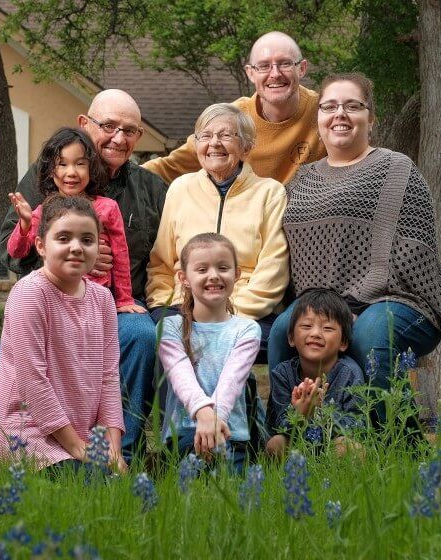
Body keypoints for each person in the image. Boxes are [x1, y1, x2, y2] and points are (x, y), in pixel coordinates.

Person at [0, 90, 167, 465]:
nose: (119, 138)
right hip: (55, 294)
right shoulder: (48, 175)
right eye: (108, 127)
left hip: (119, 302)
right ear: (84, 124)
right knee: (35, 316)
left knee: (141, 336)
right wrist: (69, 267)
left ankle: (121, 453)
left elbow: (163, 257)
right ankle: (3, 406)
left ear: (140, 137)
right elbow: (10, 250)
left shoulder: (152, 188)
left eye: (130, 130)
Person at [267, 73, 441, 423]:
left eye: (352, 106)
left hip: (398, 301)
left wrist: (346, 308)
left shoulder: (395, 169)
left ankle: (393, 448)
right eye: (329, 106)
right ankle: (289, 436)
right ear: (319, 120)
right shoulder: (302, 179)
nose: (340, 114)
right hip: (323, 303)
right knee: (283, 330)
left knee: (369, 334)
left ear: (371, 119)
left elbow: (404, 255)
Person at [0, 195, 126, 473]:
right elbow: (32, 381)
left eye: (87, 240)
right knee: (80, 486)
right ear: (41, 245)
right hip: (29, 433)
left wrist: (114, 449)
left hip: (82, 434)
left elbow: (109, 378)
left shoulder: (102, 299)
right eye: (63, 238)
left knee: (113, 486)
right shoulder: (30, 294)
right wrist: (76, 447)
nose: (76, 247)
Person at [146, 103, 288, 354]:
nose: (214, 144)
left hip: (246, 311)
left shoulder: (270, 193)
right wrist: (165, 304)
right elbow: (162, 263)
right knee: (159, 340)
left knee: (272, 341)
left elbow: (273, 269)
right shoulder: (180, 188)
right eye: (206, 136)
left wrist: (227, 315)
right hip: (183, 305)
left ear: (246, 148)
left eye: (225, 135)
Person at [143, 31, 325, 185]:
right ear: (250, 73)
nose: (275, 74)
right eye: (264, 66)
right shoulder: (231, 120)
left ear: (301, 68)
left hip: (309, 224)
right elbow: (169, 167)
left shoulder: (326, 112)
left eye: (285, 63)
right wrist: (116, 171)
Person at [7, 127, 145, 313]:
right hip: (53, 300)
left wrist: (124, 299)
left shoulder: (107, 208)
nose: (71, 172)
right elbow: (17, 251)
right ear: (50, 170)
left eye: (80, 164)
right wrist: (24, 224)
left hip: (95, 301)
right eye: (62, 164)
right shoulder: (44, 212)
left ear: (91, 168)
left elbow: (120, 256)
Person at [158, 233, 260, 473]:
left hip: (230, 433)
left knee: (227, 500)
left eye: (223, 267)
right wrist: (204, 415)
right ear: (183, 278)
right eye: (202, 269)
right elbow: (181, 376)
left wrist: (215, 422)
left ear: (237, 274)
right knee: (188, 497)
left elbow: (231, 382)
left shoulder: (247, 330)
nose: (213, 275)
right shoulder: (169, 327)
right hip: (183, 433)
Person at [265, 289, 364, 458]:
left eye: (327, 328)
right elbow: (276, 425)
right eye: (306, 326)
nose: (316, 333)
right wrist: (300, 414)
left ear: (343, 342)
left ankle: (333, 479)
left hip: (332, 446)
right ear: (291, 338)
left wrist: (319, 413)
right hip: (297, 445)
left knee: (351, 448)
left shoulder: (350, 373)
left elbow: (356, 425)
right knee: (276, 444)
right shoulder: (282, 373)